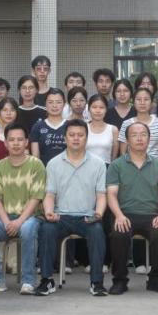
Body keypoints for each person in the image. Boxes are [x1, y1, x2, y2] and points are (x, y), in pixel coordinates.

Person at [36, 120, 108, 296]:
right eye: (72, 135)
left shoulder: (98, 163)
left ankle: (97, 282)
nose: (76, 138)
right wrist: (49, 212)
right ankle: (46, 280)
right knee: (46, 229)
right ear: (65, 138)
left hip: (87, 217)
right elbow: (50, 194)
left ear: (86, 138)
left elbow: (101, 195)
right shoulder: (53, 163)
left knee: (97, 231)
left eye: (80, 135)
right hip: (61, 217)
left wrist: (98, 213)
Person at [0, 124, 45, 295]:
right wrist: (7, 221)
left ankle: (28, 281)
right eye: (11, 140)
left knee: (27, 230)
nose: (16, 143)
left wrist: (19, 221)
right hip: (6, 218)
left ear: (27, 142)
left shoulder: (36, 165)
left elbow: (36, 197)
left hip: (31, 217)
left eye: (20, 140)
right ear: (5, 143)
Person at [106, 122, 158, 295]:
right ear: (127, 140)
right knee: (119, 234)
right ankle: (120, 280)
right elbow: (111, 194)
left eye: (143, 134)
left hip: (152, 215)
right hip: (124, 214)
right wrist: (119, 215)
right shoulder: (117, 165)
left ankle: (156, 279)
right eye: (134, 135)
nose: (139, 138)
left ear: (149, 139)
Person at [118, 87, 158, 160]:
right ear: (133, 103)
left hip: (154, 165)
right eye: (138, 99)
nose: (142, 103)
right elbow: (123, 153)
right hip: (132, 164)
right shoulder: (126, 123)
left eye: (146, 99)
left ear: (151, 103)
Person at [30, 88, 68, 165]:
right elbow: (35, 157)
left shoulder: (70, 126)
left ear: (64, 104)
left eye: (58, 102)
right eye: (50, 102)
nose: (54, 106)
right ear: (45, 104)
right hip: (45, 170)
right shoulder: (38, 126)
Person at [86, 95, 119, 164]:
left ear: (106, 109)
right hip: (86, 167)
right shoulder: (83, 128)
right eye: (94, 107)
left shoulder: (113, 130)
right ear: (89, 109)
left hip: (106, 167)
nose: (98, 111)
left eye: (101, 107)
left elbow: (114, 158)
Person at [0, 98, 20, 164]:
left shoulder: (23, 134)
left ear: (17, 113)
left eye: (12, 110)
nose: (8, 113)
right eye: (5, 110)